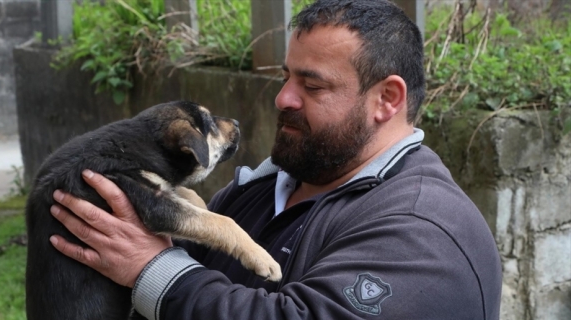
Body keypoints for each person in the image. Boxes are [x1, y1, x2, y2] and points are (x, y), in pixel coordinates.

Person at [48, 0, 503, 319]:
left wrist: (152, 269)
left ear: (386, 99)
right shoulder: (263, 188)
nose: (283, 97)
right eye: (286, 77)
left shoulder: (424, 229)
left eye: (313, 85)